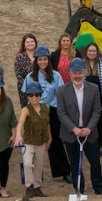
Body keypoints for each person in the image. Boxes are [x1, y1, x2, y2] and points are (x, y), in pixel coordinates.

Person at [56, 58, 102, 195]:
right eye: (74, 73)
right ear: (70, 73)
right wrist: (74, 128)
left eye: (80, 73)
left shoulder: (94, 89)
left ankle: (98, 187)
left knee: (95, 162)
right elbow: (61, 113)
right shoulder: (62, 91)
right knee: (74, 164)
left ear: (84, 73)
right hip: (71, 134)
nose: (77, 76)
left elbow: (97, 110)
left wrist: (89, 128)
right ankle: (79, 188)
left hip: (90, 133)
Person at [24, 46, 69, 183]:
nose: (42, 62)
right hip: (34, 111)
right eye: (40, 59)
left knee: (55, 141)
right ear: (36, 61)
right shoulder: (30, 76)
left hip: (52, 110)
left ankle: (64, 171)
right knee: (35, 141)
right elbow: (26, 94)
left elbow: (60, 94)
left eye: (45, 59)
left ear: (48, 60)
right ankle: (37, 174)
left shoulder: (55, 75)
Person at [13, 80, 52, 198]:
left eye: (36, 95)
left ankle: (36, 186)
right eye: (31, 95)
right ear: (28, 97)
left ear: (40, 95)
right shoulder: (26, 109)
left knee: (39, 165)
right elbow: (20, 122)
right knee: (28, 164)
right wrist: (18, 135)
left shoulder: (46, 107)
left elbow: (47, 123)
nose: (34, 97)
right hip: (29, 141)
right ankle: (29, 185)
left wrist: (50, 137)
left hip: (41, 141)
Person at [82, 42, 102, 153]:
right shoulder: (82, 64)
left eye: (94, 51)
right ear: (86, 52)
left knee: (101, 122)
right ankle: (88, 143)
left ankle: (100, 145)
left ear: (97, 52)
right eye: (90, 51)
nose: (92, 53)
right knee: (87, 122)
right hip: (85, 100)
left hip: (101, 98)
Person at [13, 33, 37, 107]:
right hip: (25, 87)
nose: (30, 43)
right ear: (24, 44)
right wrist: (28, 85)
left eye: (32, 41)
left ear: (35, 43)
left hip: (40, 86)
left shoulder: (39, 55)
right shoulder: (19, 57)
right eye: (27, 42)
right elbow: (18, 75)